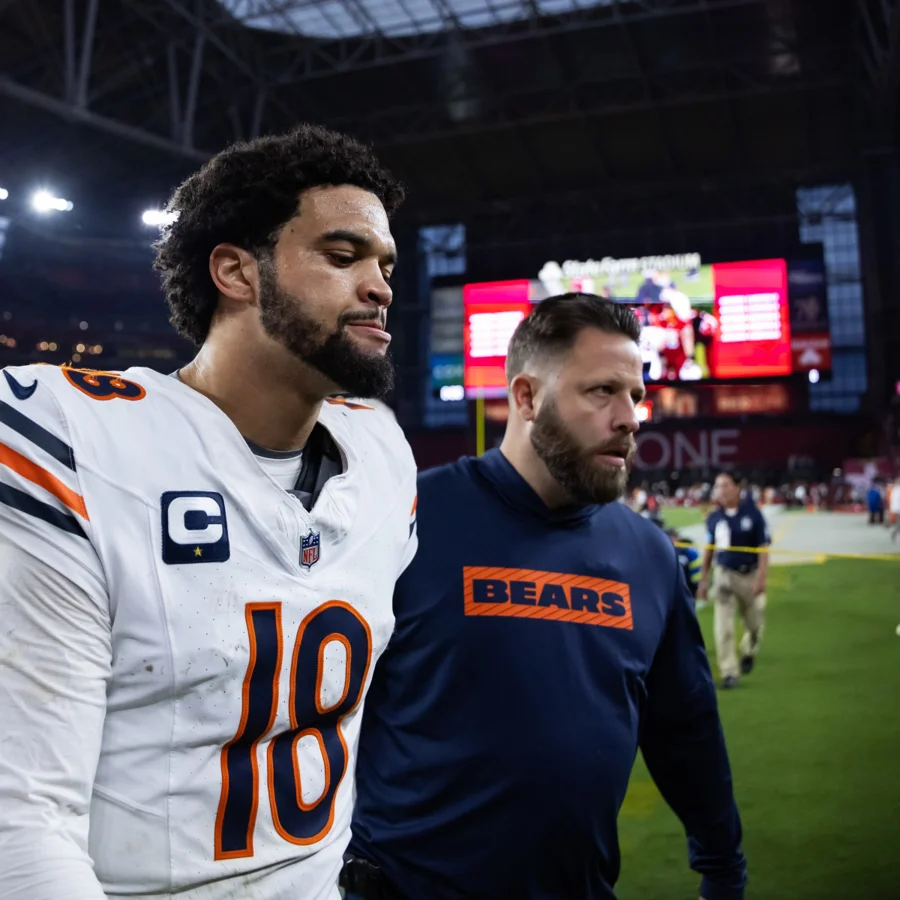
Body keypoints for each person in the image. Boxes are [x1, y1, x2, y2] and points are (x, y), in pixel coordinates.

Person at [0, 125, 418, 900]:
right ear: (236, 271)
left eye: (385, 265)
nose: (380, 287)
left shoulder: (383, 455)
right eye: (342, 255)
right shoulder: (76, 441)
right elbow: (21, 820)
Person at [344, 293, 747, 900]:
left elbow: (685, 729)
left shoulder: (648, 555)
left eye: (635, 395)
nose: (630, 418)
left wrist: (723, 869)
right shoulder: (405, 520)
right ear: (527, 397)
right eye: (602, 391)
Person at [698, 472, 770, 689]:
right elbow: (709, 549)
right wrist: (704, 579)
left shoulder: (753, 514)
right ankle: (729, 672)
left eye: (726, 485)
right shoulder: (714, 518)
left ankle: (749, 649)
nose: (721, 490)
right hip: (723, 575)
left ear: (737, 487)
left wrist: (761, 577)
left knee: (754, 624)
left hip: (749, 575)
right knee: (724, 628)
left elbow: (763, 548)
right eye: (718, 486)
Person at [666, 526, 702, 601]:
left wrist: (697, 586)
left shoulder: (688, 552)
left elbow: (696, 573)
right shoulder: (665, 552)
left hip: (687, 588)